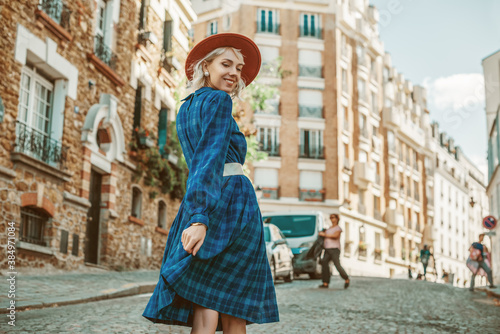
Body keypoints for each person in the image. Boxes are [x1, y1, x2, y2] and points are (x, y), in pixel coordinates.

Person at [142, 33, 279, 333]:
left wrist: (196, 213)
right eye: (226, 64)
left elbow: (200, 163)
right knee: (233, 305)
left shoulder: (185, 107)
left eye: (239, 68)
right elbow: (209, 157)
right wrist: (200, 218)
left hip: (205, 199)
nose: (234, 72)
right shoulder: (218, 100)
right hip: (231, 204)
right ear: (206, 66)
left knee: (209, 296)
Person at [318, 214, 350, 289]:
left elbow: (336, 236)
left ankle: (346, 278)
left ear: (336, 219)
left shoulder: (338, 228)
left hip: (335, 249)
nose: (331, 219)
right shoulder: (329, 228)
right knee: (324, 263)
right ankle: (325, 282)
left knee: (337, 265)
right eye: (330, 218)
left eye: (333, 217)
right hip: (327, 249)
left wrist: (324, 235)